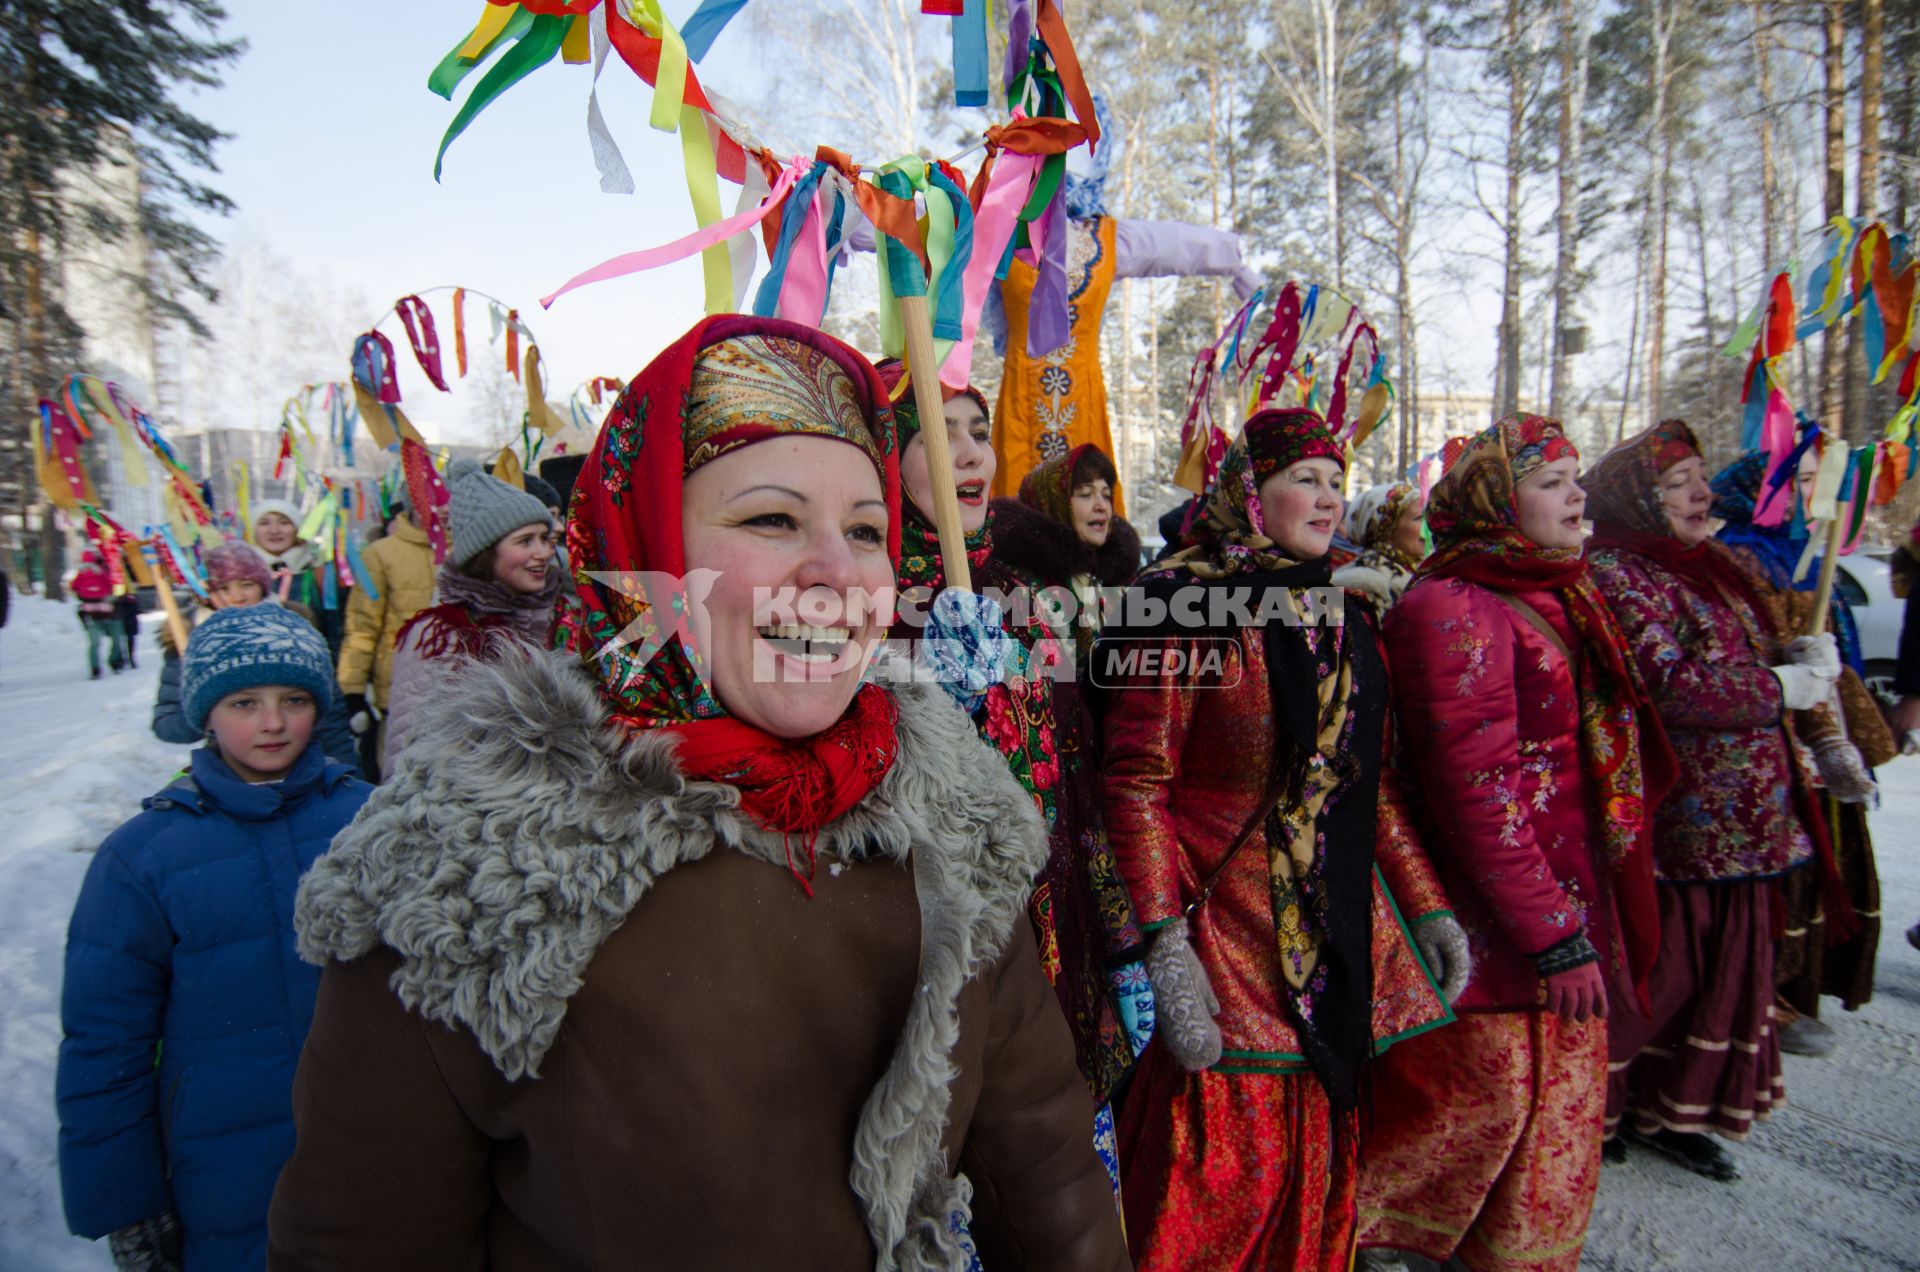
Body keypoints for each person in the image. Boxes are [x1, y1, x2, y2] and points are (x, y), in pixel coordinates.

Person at [266, 316, 1128, 1272]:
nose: (839, 573)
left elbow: (1049, 1177)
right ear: (650, 550)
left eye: (867, 530)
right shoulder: (470, 865)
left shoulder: (952, 812)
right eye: (771, 519)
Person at [1097, 408, 1460, 1271]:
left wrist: (1427, 907)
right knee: (1216, 1181)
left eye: (1339, 479)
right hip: (1221, 931)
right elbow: (1137, 782)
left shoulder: (1345, 611)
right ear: (1249, 496)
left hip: (1328, 936)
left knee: (1315, 1175)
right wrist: (1166, 943)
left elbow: (1360, 787)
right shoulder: (1181, 605)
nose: (1329, 497)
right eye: (1306, 477)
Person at [1356, 416, 1673, 1272]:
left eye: (1577, 477)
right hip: (1496, 947)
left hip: (1560, 914)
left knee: (1544, 1153)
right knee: (1466, 1138)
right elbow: (1477, 794)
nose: (1577, 495)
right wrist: (1550, 934)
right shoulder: (1454, 606)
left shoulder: (1559, 590)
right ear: (1497, 500)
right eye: (1551, 481)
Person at [881, 361, 1150, 1193]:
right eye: (938, 432)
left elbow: (1073, 779)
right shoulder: (859, 599)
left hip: (1056, 948)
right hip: (933, 970)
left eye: (976, 431)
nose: (972, 454)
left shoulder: (1021, 594)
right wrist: (933, 701)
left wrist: (1124, 939)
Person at [57, 603, 372, 1271]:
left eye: (293, 699)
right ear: (204, 712)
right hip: (223, 1172)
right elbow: (105, 1041)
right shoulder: (143, 857)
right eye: (243, 701)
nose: (272, 722)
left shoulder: (374, 821)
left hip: (376, 1147)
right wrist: (124, 1201)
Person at [1586, 419, 1843, 1181]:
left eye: (1701, 477)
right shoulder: (1619, 574)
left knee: (1725, 978)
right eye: (1676, 484)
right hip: (1682, 821)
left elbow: (1741, 650)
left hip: (1754, 815)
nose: (1700, 493)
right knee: (1663, 974)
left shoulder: (1716, 565)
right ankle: (1608, 1106)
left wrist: (1795, 658)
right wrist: (1775, 687)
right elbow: (1669, 685)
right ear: (1638, 497)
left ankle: (1677, 1108)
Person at [1710, 450, 1895, 1053]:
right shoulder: (1737, 556)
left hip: (1814, 718)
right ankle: (1769, 992)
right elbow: (1750, 649)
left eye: (1817, 483)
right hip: (1769, 728)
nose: (1809, 495)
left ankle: (1799, 985)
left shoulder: (1807, 554)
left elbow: (1828, 640)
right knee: (1781, 869)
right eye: (1800, 482)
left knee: (1822, 858)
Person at [381, 458, 559, 778]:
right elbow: (407, 746)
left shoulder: (563, 612)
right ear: (486, 552)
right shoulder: (440, 634)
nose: (544, 552)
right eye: (525, 541)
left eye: (545, 539)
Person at [152, 543, 358, 769]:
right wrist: (199, 707)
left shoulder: (296, 636)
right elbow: (166, 724)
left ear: (263, 586)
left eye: (246, 584)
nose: (236, 597)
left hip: (308, 767)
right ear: (206, 593)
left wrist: (346, 773)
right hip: (231, 773)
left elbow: (332, 722)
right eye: (223, 588)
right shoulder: (190, 644)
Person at [987, 442, 1141, 667]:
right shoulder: (1020, 585)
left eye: (1107, 495)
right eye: (1086, 494)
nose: (1102, 507)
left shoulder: (1116, 576)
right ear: (1052, 502)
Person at [335, 487, 436, 777]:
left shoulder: (464, 551)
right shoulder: (381, 554)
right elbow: (362, 624)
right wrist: (352, 690)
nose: (439, 510)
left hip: (454, 686)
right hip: (397, 690)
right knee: (399, 773)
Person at [247, 498, 348, 658]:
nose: (274, 530)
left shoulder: (318, 573)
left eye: (284, 522)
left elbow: (336, 632)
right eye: (264, 523)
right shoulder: (243, 576)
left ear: (297, 529)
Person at [1332, 481, 1426, 610]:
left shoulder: (1416, 572)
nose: (1428, 527)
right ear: (1386, 527)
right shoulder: (1360, 583)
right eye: (1419, 518)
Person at [73, 549, 128, 679]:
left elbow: (74, 588)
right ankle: (115, 661)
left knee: (94, 643)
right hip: (109, 610)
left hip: (90, 612)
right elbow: (113, 586)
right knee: (116, 638)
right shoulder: (103, 570)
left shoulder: (80, 573)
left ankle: (95, 667)